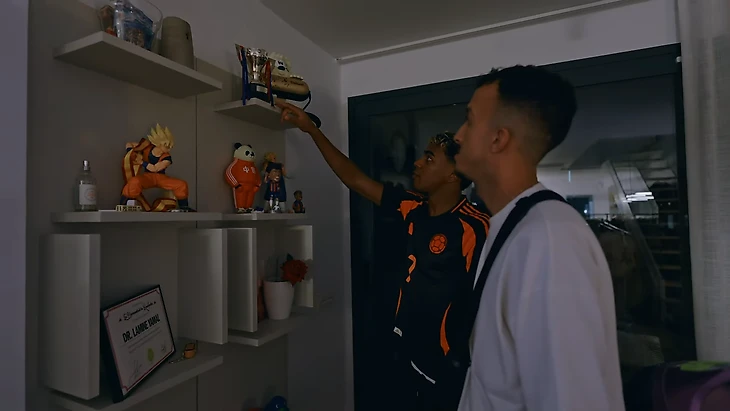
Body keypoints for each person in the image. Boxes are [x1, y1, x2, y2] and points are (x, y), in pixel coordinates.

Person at [277, 100, 490, 410]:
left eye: (429, 158)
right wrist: (311, 130)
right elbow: (354, 179)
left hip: (446, 367)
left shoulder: (476, 227)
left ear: (453, 174)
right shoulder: (412, 206)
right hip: (402, 348)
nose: (418, 163)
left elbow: (490, 300)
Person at [453, 65, 624, 411]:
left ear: (498, 139)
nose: (457, 135)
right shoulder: (515, 228)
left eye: (469, 121)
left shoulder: (548, 239)